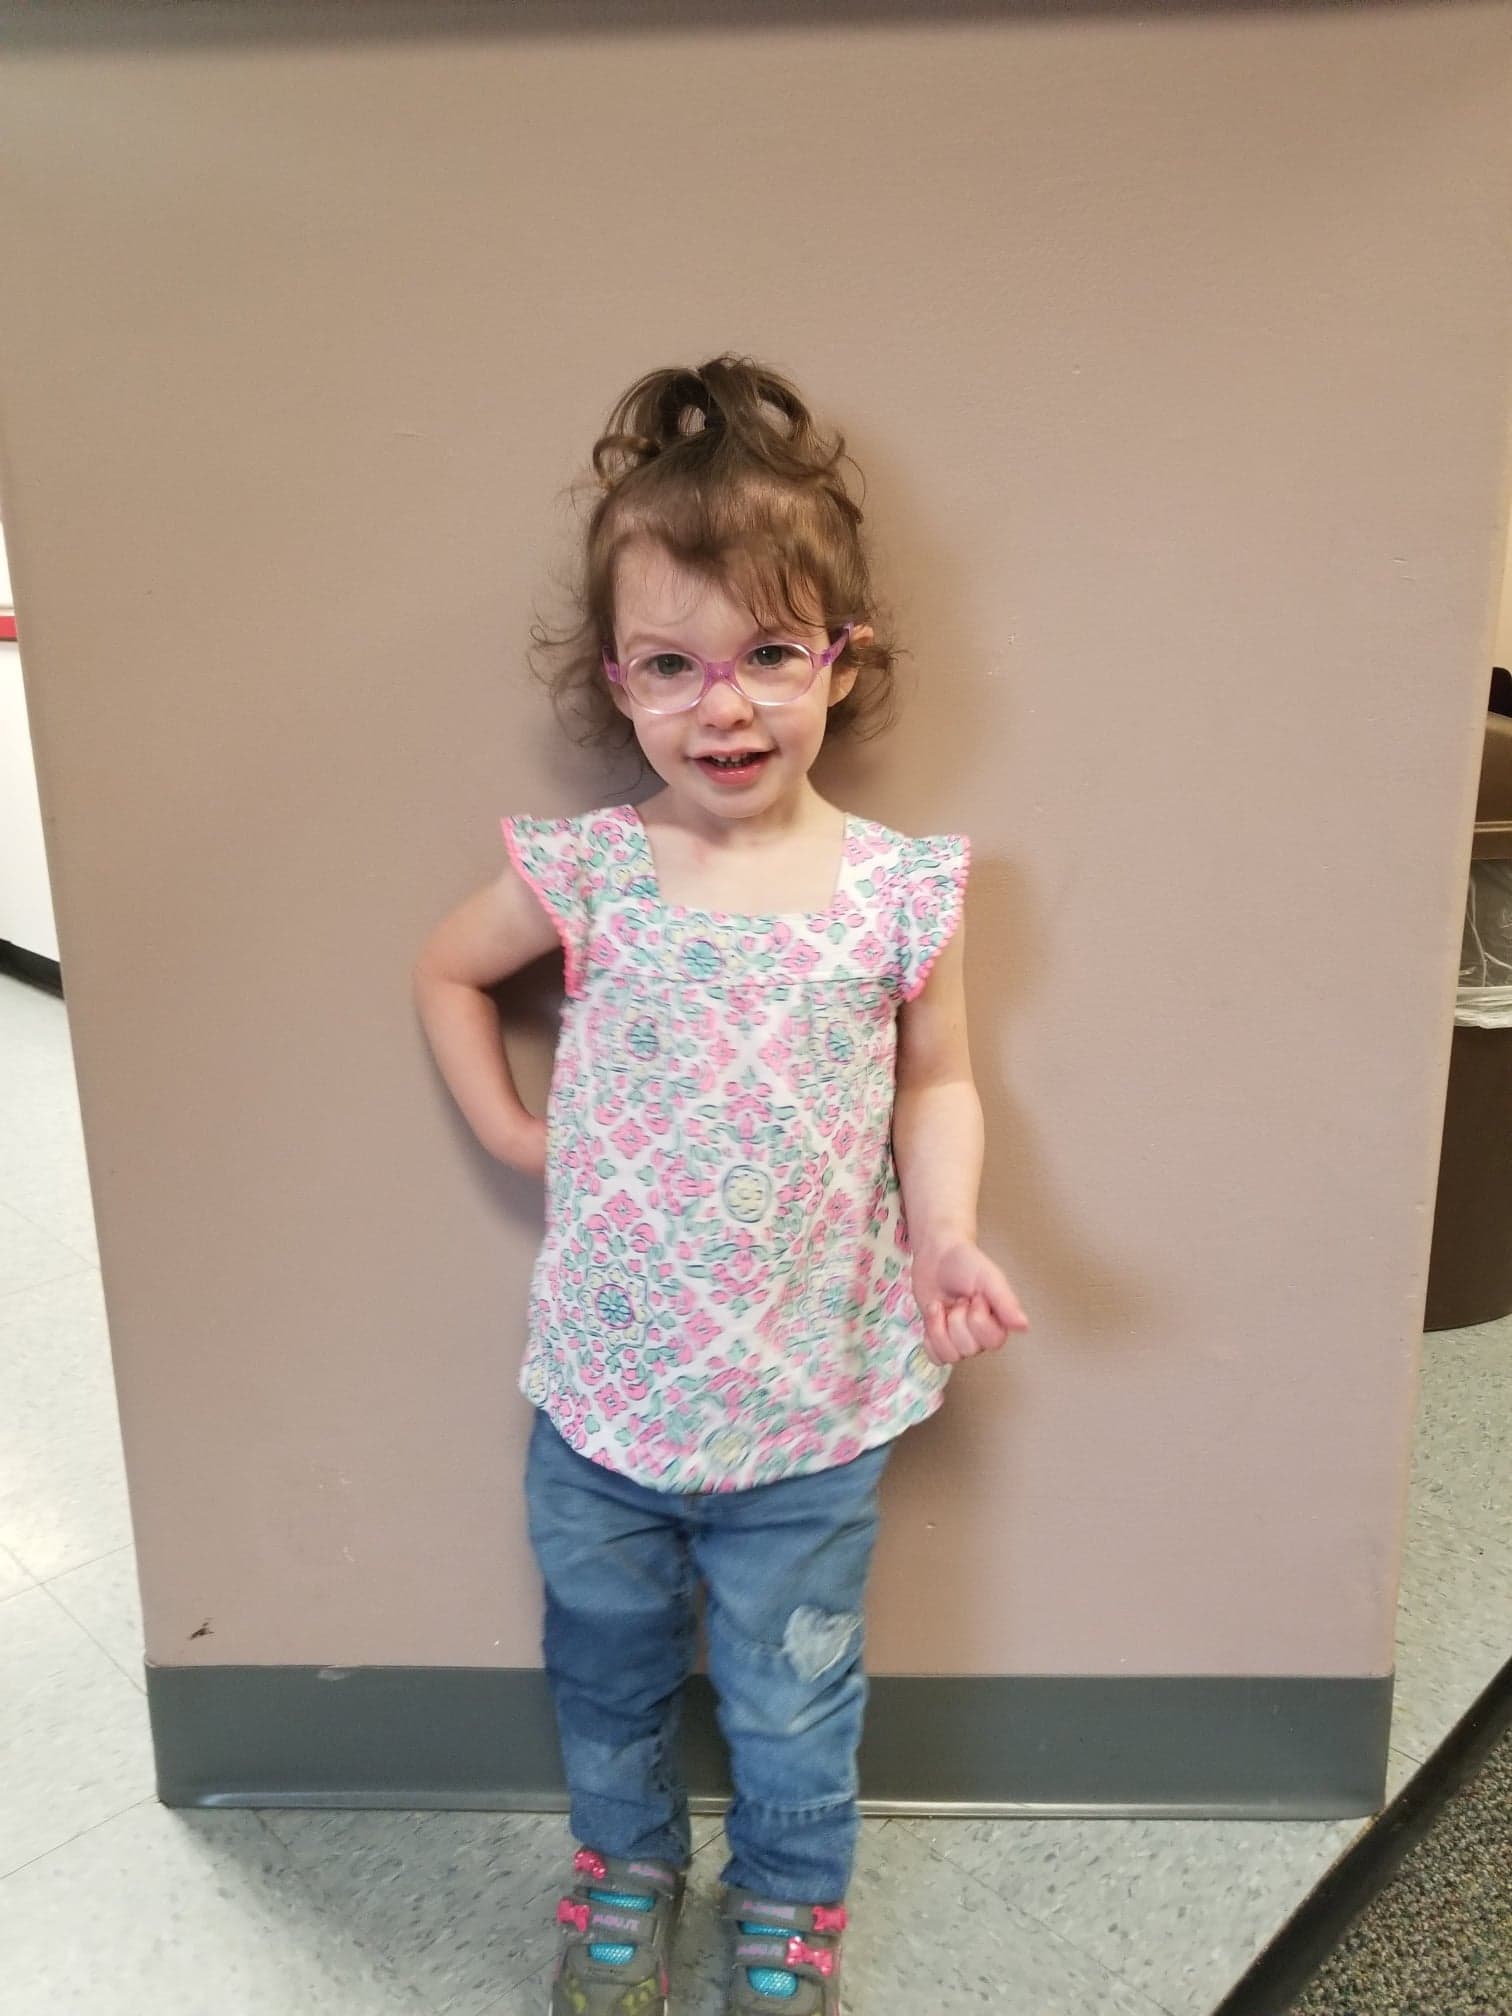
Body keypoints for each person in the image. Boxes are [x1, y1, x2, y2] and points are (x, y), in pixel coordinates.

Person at [413, 356, 1030, 2016]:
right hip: (602, 1402)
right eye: (673, 668)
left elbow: (942, 1081)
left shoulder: (900, 890)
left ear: (844, 657)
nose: (727, 707)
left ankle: (788, 1904)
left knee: (793, 1691)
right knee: (604, 1672)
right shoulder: (595, 869)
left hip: (812, 1412)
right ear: (615, 682)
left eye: (769, 655)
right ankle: (625, 1871)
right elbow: (447, 972)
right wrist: (510, 1132)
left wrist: (948, 1231)